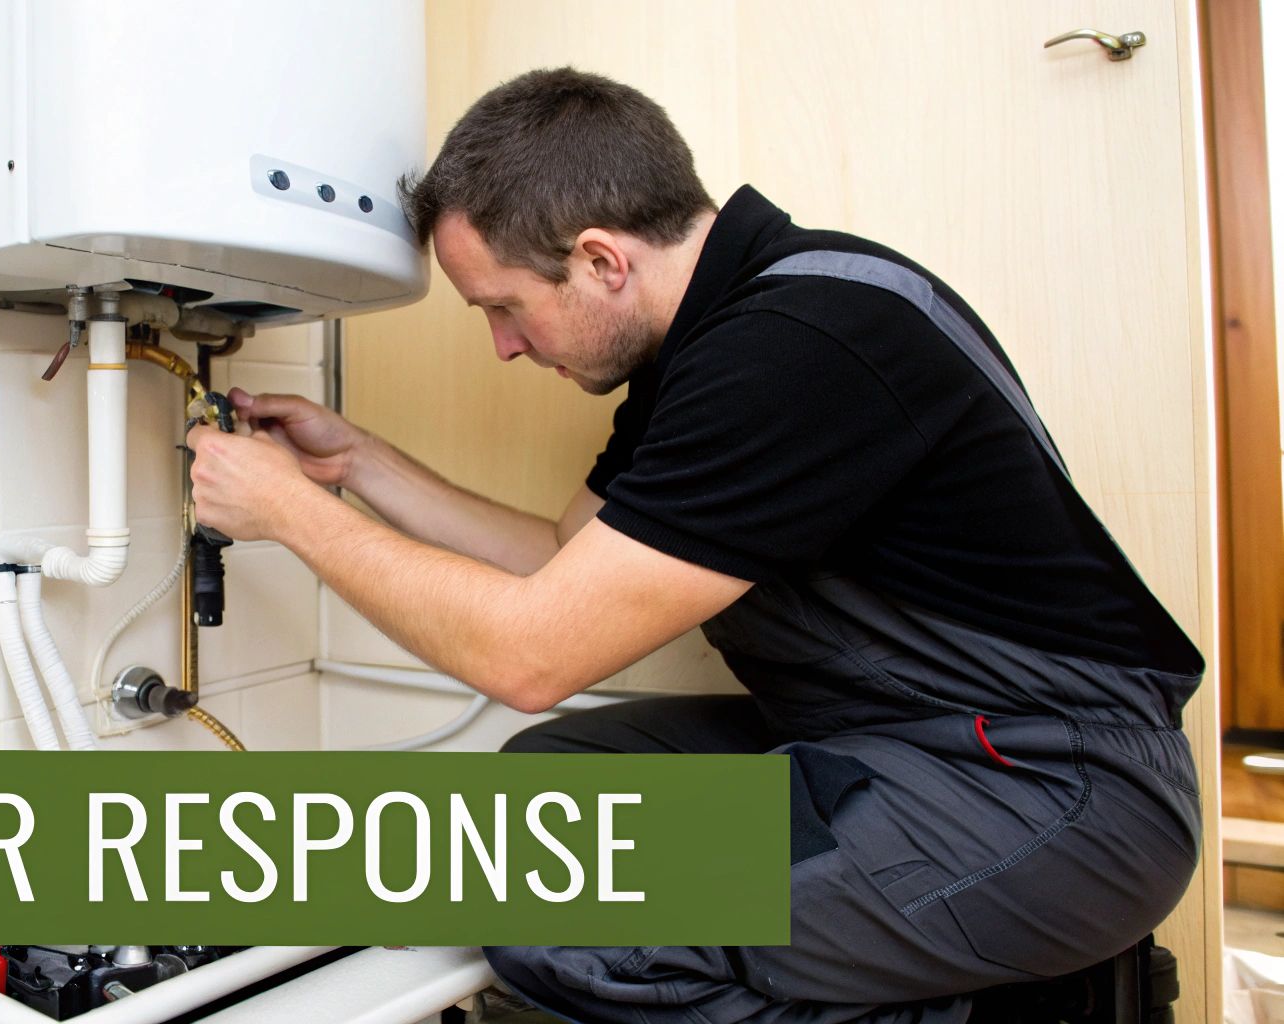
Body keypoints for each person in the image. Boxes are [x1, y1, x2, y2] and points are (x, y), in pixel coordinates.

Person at [184, 67, 1203, 1023]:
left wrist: (290, 515)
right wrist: (355, 465)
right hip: (887, 743)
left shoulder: (796, 348)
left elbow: (528, 654)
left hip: (1041, 793)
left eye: (503, 306)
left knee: (559, 915)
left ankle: (1006, 1001)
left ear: (598, 260)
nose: (502, 343)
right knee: (534, 795)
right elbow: (556, 558)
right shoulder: (711, 339)